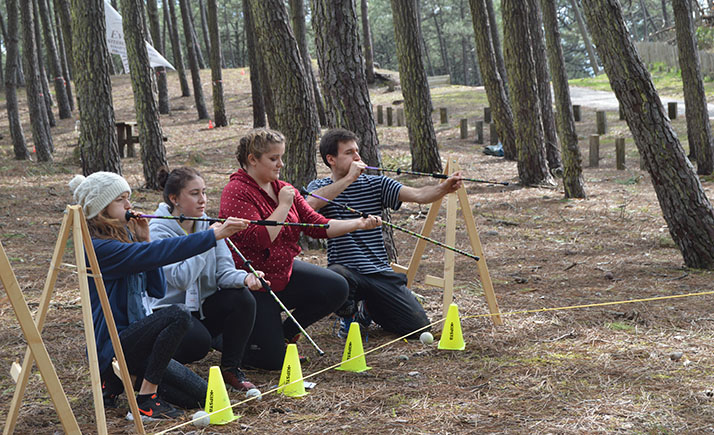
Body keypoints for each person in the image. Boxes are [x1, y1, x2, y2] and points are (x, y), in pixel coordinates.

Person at [69, 171, 247, 419]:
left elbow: (156, 289)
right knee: (179, 315)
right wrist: (210, 236)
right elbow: (160, 253)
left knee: (203, 397)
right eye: (121, 200)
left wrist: (144, 240)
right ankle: (144, 397)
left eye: (127, 198)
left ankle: (122, 382)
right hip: (114, 344)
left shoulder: (126, 238)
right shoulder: (99, 249)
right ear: (100, 209)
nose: (129, 206)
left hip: (138, 341)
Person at [219, 128, 382, 370]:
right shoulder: (236, 192)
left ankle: (285, 333)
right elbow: (261, 238)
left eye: (281, 157)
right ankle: (224, 338)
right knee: (273, 363)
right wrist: (284, 205)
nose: (280, 164)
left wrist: (358, 223)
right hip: (254, 284)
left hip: (282, 273)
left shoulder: (283, 188)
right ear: (252, 160)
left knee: (337, 287)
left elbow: (317, 225)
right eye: (273, 159)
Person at [305, 128, 463, 338]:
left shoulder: (376, 183)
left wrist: (443, 188)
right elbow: (309, 205)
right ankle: (349, 319)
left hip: (379, 271)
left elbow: (418, 195)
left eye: (357, 151)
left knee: (418, 328)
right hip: (346, 270)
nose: (357, 157)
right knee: (337, 277)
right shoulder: (320, 186)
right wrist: (349, 179)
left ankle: (368, 311)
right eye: (349, 152)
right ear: (331, 159)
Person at [148, 167, 263, 391]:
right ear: (174, 199)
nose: (203, 200)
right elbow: (180, 279)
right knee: (198, 343)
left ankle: (231, 369)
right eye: (194, 194)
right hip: (167, 312)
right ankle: (160, 368)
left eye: (204, 192)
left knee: (242, 298)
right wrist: (206, 240)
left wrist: (246, 278)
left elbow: (224, 272)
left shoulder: (208, 225)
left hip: (201, 308)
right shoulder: (158, 230)